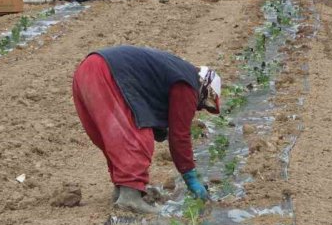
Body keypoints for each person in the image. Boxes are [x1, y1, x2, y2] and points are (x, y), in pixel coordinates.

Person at [72, 45, 221, 215]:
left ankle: (123, 189)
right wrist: (191, 178)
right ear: (205, 88)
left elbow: (151, 100)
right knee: (137, 137)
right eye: (203, 104)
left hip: (87, 69)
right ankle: (129, 198)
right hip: (107, 72)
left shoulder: (175, 69)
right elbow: (179, 136)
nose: (198, 107)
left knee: (115, 138)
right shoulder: (189, 85)